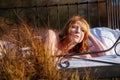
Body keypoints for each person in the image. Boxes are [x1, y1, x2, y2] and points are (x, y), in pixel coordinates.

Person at [42, 15, 115, 60]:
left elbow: (107, 56)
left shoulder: (82, 52)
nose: (78, 31)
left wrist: (90, 35)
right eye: (74, 27)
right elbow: (48, 61)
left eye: (82, 30)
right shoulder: (52, 37)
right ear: (67, 29)